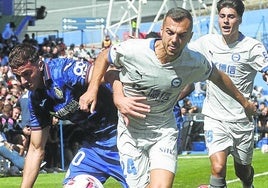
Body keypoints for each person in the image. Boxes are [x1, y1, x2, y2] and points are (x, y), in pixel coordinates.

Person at [80, 7, 256, 188]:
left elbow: (218, 76)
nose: (174, 40)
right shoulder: (134, 49)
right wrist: (92, 89)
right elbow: (104, 57)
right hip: (130, 135)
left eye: (182, 35)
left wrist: (244, 103)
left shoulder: (194, 61)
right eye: (170, 33)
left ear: (190, 36)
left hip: (163, 132)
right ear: (162, 31)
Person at [8, 43, 127, 188]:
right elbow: (35, 149)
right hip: (94, 148)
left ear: (39, 64)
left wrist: (98, 91)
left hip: (125, 139)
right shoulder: (35, 100)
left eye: (27, 73)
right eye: (18, 76)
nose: (23, 82)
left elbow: (112, 73)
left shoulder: (63, 71)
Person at [188, 0, 268, 187]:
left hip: (242, 119)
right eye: (222, 16)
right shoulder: (206, 42)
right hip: (215, 118)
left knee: (243, 170)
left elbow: (266, 68)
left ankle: (248, 183)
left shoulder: (252, 47)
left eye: (231, 17)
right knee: (218, 167)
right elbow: (181, 53)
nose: (225, 21)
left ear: (239, 19)